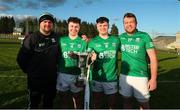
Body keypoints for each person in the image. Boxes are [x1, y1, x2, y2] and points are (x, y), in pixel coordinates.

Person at [16, 12, 59, 108]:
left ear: (52, 24)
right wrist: (30, 72)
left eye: (49, 22)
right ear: (40, 23)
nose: (47, 24)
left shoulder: (56, 38)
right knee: (33, 105)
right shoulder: (32, 38)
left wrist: (83, 40)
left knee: (48, 104)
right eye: (45, 22)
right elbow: (21, 59)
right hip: (35, 81)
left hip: (51, 80)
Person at [119, 12, 158, 109]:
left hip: (141, 76)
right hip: (125, 76)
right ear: (123, 24)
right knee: (126, 100)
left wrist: (153, 79)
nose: (129, 24)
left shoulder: (144, 36)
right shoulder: (120, 38)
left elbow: (153, 59)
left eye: (131, 22)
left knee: (143, 104)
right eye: (126, 22)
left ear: (136, 23)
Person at [87, 17, 120, 109]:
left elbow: (125, 53)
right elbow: (87, 59)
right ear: (97, 27)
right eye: (100, 25)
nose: (102, 27)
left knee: (112, 104)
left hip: (111, 78)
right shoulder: (92, 42)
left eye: (105, 25)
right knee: (96, 103)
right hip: (96, 77)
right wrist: (90, 58)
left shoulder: (116, 40)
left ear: (108, 26)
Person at [56, 17, 87, 109]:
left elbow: (85, 61)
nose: (74, 29)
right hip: (62, 74)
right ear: (68, 26)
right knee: (63, 100)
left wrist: (77, 57)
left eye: (76, 26)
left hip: (77, 74)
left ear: (79, 27)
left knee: (78, 100)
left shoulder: (83, 42)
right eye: (71, 26)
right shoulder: (61, 40)